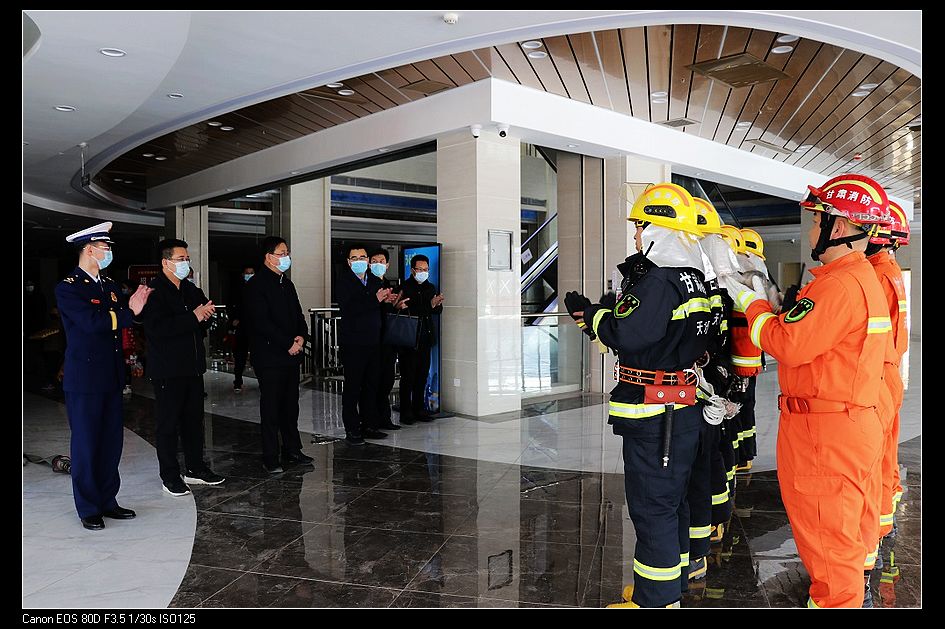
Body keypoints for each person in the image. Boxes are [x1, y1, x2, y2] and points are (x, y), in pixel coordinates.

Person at [719, 173, 892, 608]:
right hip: (845, 422)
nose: (812, 230)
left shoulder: (840, 284)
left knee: (826, 535)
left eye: (817, 221)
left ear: (839, 226)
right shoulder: (856, 277)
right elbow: (818, 337)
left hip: (825, 433)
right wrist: (781, 306)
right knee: (842, 531)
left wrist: (752, 305)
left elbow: (786, 344)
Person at [567, 183, 712, 608]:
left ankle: (655, 600)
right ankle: (671, 585)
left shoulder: (659, 281)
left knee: (652, 508)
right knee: (673, 501)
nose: (635, 235)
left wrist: (592, 314)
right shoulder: (693, 279)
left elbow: (627, 333)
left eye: (640, 226)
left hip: (655, 413)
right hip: (679, 407)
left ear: (657, 230)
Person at [54, 222, 152, 530]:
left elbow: (123, 321)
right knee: (86, 444)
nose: (108, 252)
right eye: (104, 247)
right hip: (84, 378)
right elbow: (92, 323)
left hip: (111, 375)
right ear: (88, 249)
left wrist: (136, 311)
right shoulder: (68, 287)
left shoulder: (108, 285)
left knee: (111, 443)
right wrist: (130, 312)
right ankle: (88, 507)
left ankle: (108, 500)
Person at [139, 239, 225, 496]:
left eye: (187, 259)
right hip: (168, 369)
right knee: (168, 424)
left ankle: (195, 468)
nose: (185, 263)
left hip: (193, 367)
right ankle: (170, 475)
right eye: (180, 259)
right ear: (165, 262)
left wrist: (204, 316)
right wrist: (193, 317)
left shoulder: (190, 289)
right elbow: (158, 329)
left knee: (193, 422)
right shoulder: (154, 292)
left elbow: (203, 317)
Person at [244, 237, 314, 473]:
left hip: (291, 355)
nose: (286, 257)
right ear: (268, 257)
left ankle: (292, 449)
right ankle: (270, 455)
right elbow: (261, 322)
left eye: (287, 253)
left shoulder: (287, 284)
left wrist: (301, 337)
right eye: (282, 253)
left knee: (290, 406)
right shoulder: (256, 285)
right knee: (271, 407)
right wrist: (287, 343)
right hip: (270, 356)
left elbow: (298, 315)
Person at [865, 201, 910, 542]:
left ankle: (876, 529)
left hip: (878, 374)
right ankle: (886, 516)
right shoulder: (891, 269)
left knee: (874, 457)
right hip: (891, 371)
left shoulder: (876, 275)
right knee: (887, 451)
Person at [335, 243, 393, 443]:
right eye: (355, 258)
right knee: (353, 387)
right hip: (353, 343)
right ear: (348, 262)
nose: (359, 261)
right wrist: (374, 300)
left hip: (373, 341)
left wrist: (389, 302)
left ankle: (370, 424)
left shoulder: (375, 281)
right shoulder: (344, 282)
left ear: (368, 261)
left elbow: (377, 308)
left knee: (371, 385)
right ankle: (352, 428)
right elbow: (349, 308)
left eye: (362, 258)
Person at [398, 254, 444, 424]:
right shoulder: (404, 288)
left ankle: (419, 408)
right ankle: (405, 411)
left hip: (425, 337)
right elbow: (408, 310)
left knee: (422, 376)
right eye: (420, 269)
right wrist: (429, 305)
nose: (423, 272)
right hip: (409, 338)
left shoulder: (430, 288)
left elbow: (435, 311)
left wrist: (437, 304)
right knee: (408, 377)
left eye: (426, 269)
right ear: (412, 270)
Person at [370, 248, 407, 431]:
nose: (378, 264)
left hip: (388, 340)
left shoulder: (388, 285)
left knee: (387, 380)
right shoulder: (368, 285)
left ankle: (384, 418)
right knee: (374, 381)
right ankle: (372, 420)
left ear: (387, 264)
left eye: (382, 261)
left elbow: (389, 312)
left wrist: (395, 305)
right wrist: (380, 302)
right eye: (374, 261)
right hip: (373, 340)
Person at [231, 266, 255, 392]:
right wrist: (234, 320)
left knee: (257, 355)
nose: (249, 275)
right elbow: (231, 304)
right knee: (240, 356)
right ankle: (238, 381)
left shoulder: (258, 287)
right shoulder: (237, 289)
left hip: (255, 327)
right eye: (247, 273)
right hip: (242, 327)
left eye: (251, 273)